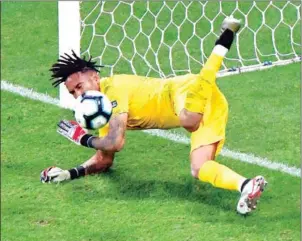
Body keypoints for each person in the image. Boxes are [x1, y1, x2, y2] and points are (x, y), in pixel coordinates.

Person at [43, 16, 267, 215]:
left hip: (182, 90)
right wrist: (69, 174)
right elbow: (105, 159)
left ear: (94, 76)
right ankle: (247, 185)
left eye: (80, 86)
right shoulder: (103, 111)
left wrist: (83, 138)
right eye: (73, 92)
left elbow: (115, 142)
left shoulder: (114, 91)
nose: (78, 94)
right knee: (199, 168)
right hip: (214, 104)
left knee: (189, 120)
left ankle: (223, 42)